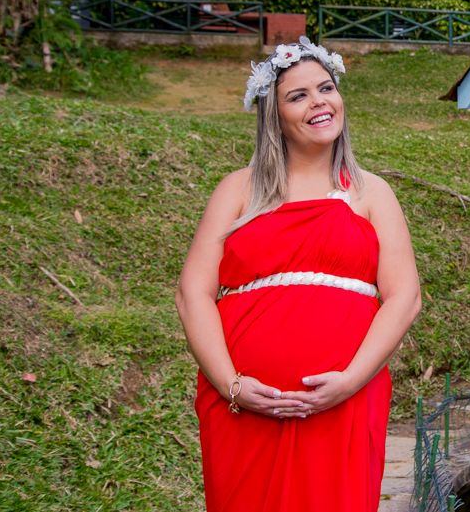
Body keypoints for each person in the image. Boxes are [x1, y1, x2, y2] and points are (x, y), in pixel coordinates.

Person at [175, 37, 421, 512]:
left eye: (326, 88)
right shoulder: (238, 189)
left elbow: (404, 297)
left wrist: (350, 381)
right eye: (298, 95)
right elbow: (193, 293)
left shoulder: (371, 193)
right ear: (275, 115)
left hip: (343, 403)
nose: (319, 102)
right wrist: (231, 384)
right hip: (244, 408)